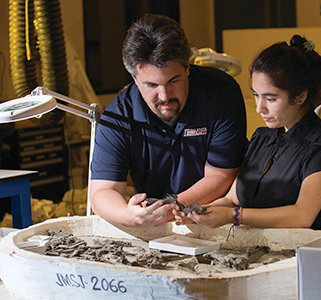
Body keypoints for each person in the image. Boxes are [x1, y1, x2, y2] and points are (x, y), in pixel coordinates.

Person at [174, 35, 321, 230]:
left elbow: (302, 215)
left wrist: (235, 216)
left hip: (300, 254)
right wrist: (198, 212)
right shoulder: (262, 138)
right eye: (256, 95)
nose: (259, 108)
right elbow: (232, 199)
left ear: (300, 97)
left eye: (270, 99)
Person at [89, 14, 247, 228]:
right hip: (155, 226)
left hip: (216, 218)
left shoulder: (220, 94)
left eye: (173, 81)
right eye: (152, 85)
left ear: (187, 68)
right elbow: (102, 192)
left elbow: (221, 175)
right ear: (135, 79)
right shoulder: (118, 116)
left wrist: (172, 206)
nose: (164, 96)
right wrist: (131, 216)